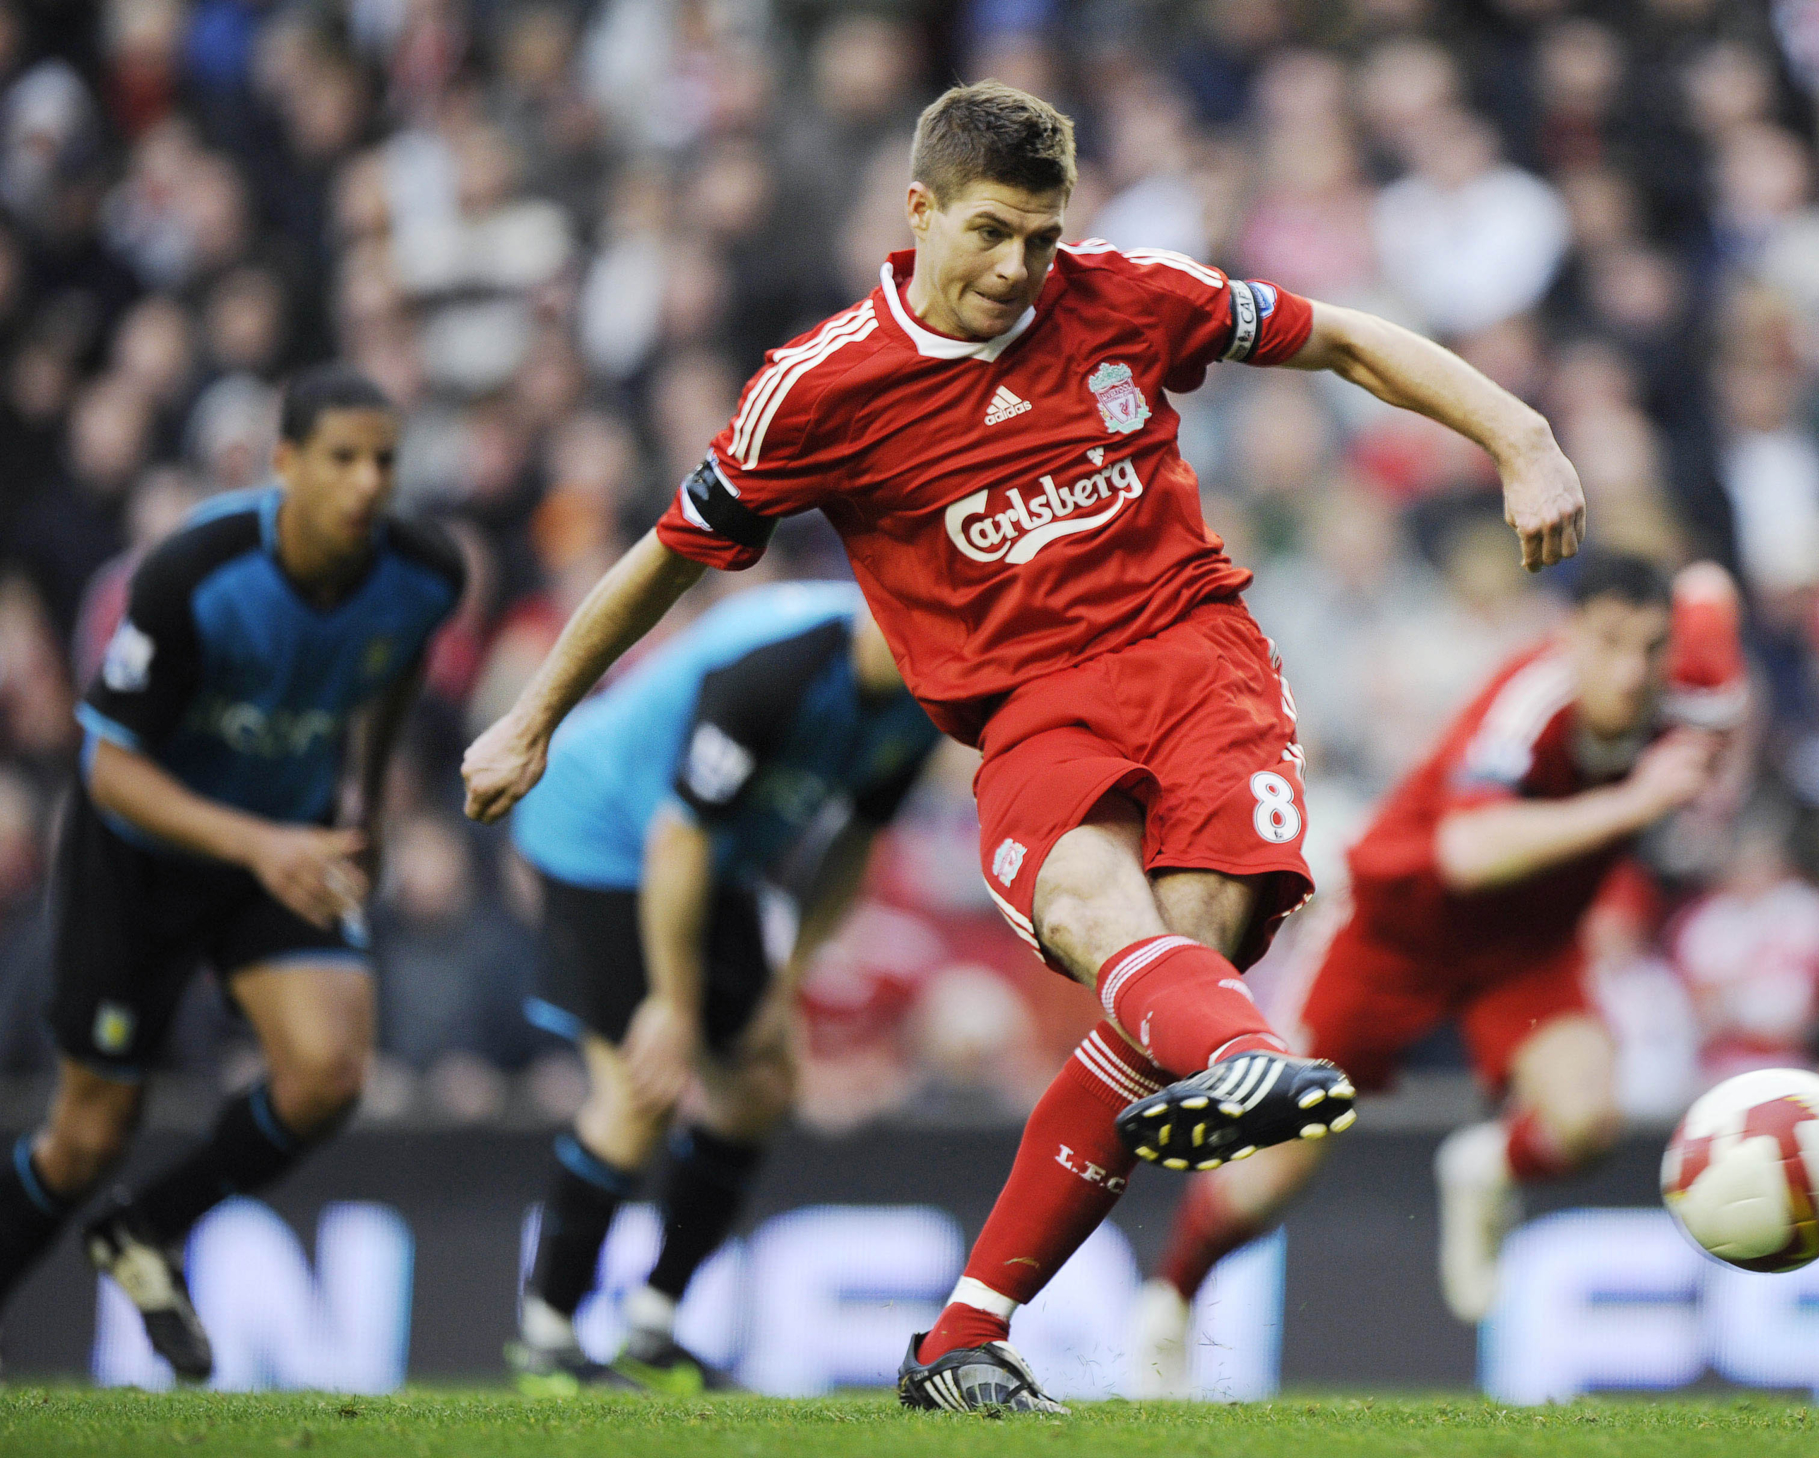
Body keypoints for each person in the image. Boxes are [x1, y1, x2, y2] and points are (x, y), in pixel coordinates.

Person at [458, 81, 1585, 1414]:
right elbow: (667, 559)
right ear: (919, 210)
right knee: (1110, 930)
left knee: (1182, 955)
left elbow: (1338, 339)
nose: (1017, 268)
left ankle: (957, 1342)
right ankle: (1236, 1058)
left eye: (1042, 239)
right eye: (992, 232)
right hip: (1030, 709)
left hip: (1202, 661)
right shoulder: (816, 391)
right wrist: (532, 714)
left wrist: (1519, 430)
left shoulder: (1128, 295)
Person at [1129, 555, 1744, 1396]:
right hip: (1397, 929)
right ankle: (1171, 1297)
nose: (1632, 672)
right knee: (1277, 1159)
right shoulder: (1530, 705)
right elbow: (1466, 852)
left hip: (1526, 946)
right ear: (1567, 638)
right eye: (1608, 645)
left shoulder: (1693, 679)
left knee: (1588, 1120)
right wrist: (1637, 802)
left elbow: (1712, 593)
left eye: (1650, 647)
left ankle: (1486, 1167)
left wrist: (1707, 606)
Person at [0, 367, 461, 1380]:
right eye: (342, 459)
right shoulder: (194, 574)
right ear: (283, 464)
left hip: (287, 838)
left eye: (384, 460)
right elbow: (109, 768)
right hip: (142, 855)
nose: (367, 483)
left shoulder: (427, 573)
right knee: (87, 1137)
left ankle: (149, 1230)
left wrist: (365, 802)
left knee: (329, 1077)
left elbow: (392, 672)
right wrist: (263, 845)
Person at [504, 581, 942, 1394]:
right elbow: (678, 835)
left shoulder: (931, 695)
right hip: (599, 833)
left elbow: (856, 841)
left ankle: (655, 1326)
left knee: (761, 1083)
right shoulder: (776, 669)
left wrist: (789, 979)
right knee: (643, 1092)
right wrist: (672, 1005)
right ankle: (547, 1335)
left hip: (716, 858)